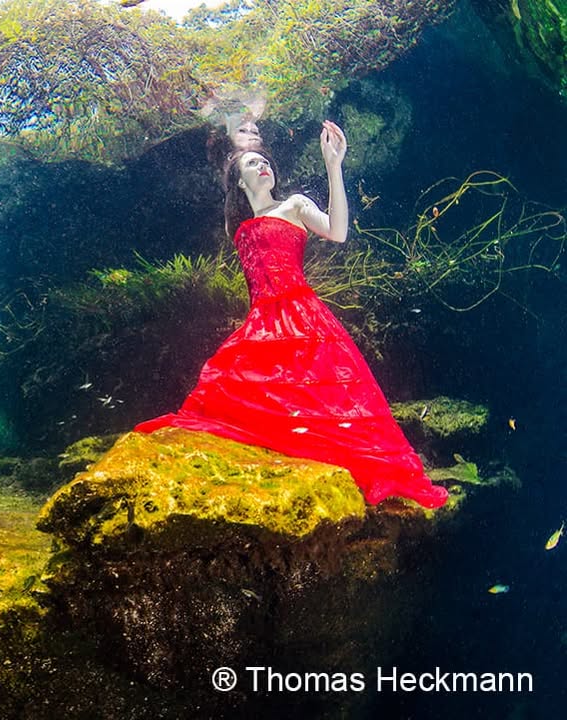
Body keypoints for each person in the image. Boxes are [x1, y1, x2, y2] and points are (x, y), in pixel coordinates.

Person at [136, 121, 448, 509]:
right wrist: (233, 137)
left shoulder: (295, 205)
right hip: (262, 322)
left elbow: (338, 232)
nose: (264, 165)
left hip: (301, 313)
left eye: (265, 161)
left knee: (330, 398)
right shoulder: (235, 223)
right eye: (254, 163)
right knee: (241, 397)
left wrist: (334, 165)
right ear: (238, 180)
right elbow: (231, 177)